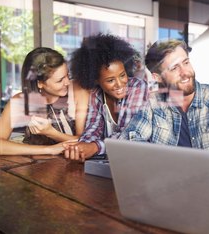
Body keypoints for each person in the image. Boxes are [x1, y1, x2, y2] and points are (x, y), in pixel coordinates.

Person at [114, 39, 209, 167]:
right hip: (167, 185)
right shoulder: (153, 103)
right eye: (174, 68)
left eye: (186, 63)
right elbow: (129, 143)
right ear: (157, 78)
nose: (185, 72)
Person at [63, 33, 148, 162]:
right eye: (110, 80)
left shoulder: (138, 88)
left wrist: (94, 147)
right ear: (96, 80)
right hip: (114, 161)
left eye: (122, 75)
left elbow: (129, 135)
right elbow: (93, 127)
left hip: (140, 160)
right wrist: (81, 148)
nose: (119, 84)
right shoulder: (96, 94)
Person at [0, 47, 88, 155]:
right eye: (60, 80)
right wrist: (49, 150)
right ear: (40, 83)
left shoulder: (78, 92)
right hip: (35, 166)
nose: (67, 82)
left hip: (74, 165)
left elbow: (89, 143)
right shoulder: (21, 101)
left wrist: (51, 132)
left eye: (67, 75)